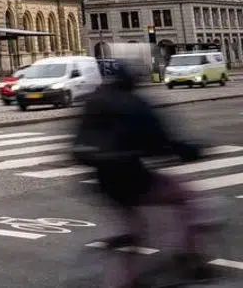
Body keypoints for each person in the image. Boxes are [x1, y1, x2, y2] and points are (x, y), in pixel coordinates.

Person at [71, 60, 215, 285]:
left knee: (136, 229)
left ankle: (125, 278)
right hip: (134, 180)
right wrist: (189, 150)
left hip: (103, 183)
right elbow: (161, 142)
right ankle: (188, 256)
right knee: (184, 197)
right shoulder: (134, 104)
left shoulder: (94, 101)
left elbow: (75, 145)